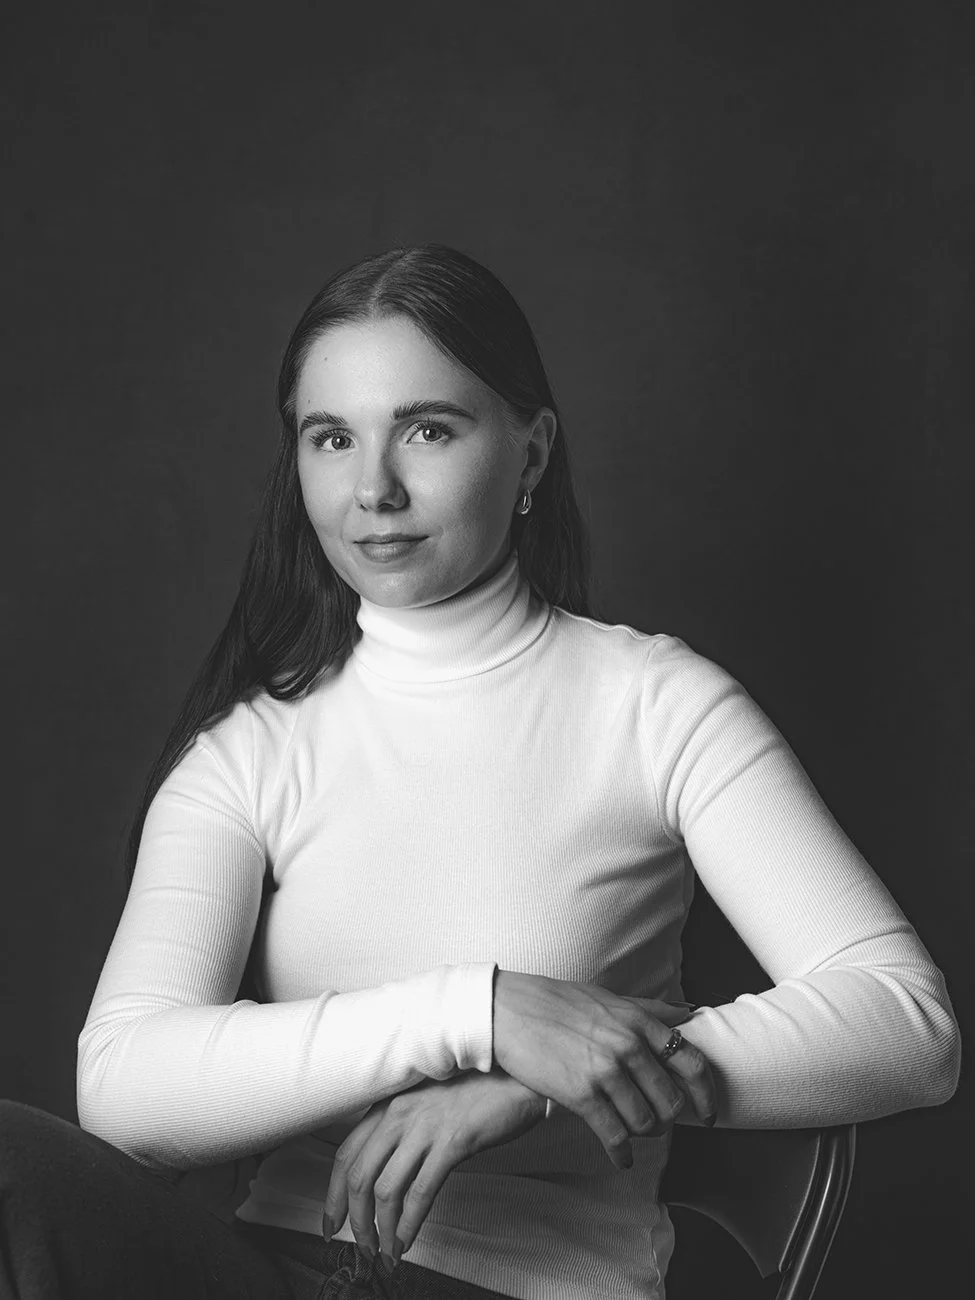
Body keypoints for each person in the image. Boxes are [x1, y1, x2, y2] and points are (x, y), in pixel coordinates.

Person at [2, 244, 959, 1300]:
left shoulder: (656, 707)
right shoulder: (251, 749)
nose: (373, 487)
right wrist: (477, 1014)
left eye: (427, 428)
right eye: (332, 438)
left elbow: (908, 1027)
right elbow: (124, 1088)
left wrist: (538, 1087)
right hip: (264, 1271)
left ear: (533, 453)